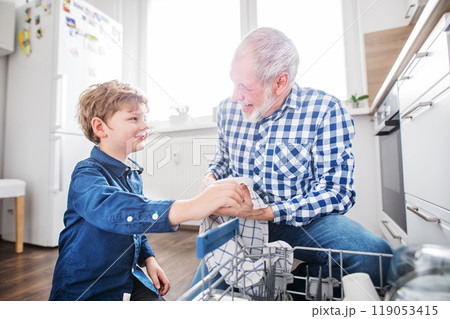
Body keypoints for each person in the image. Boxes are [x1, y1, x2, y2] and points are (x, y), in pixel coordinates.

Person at [191, 27, 393, 299]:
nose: (236, 96)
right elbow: (223, 158)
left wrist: (270, 212)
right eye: (234, 83)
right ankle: (276, 283)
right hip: (242, 224)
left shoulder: (324, 110)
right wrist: (212, 177)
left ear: (280, 82)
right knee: (200, 297)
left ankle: (282, 285)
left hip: (304, 222)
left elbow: (338, 193)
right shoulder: (228, 109)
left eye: (245, 87)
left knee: (374, 256)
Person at [49, 80, 244, 301]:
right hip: (85, 287)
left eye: (145, 118)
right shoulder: (86, 174)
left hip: (124, 277)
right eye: (134, 118)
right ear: (100, 127)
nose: (145, 126)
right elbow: (114, 211)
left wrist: (148, 258)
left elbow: (134, 229)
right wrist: (192, 207)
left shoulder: (133, 175)